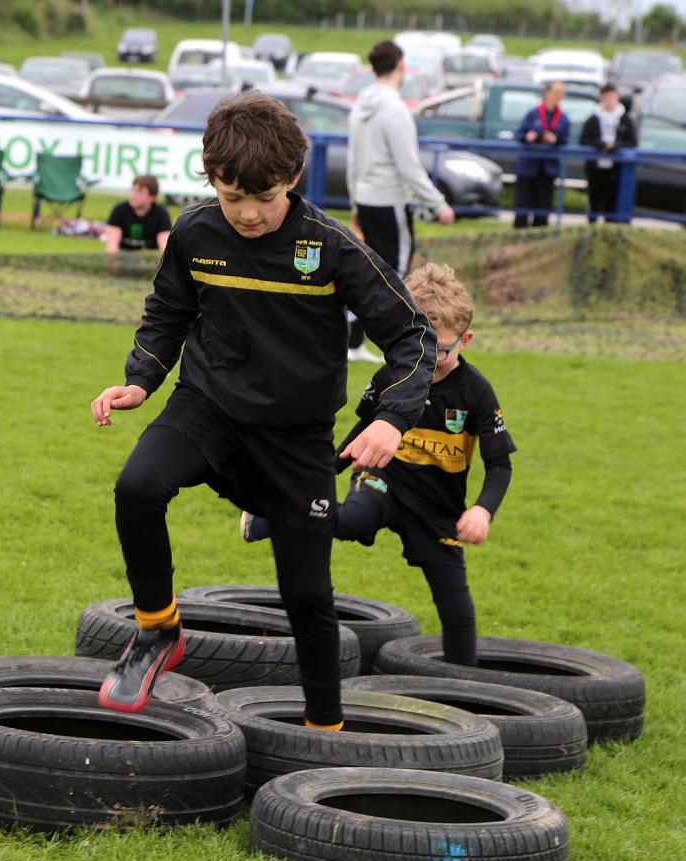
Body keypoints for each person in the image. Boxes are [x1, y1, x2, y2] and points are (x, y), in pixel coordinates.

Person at [90, 91, 436, 729]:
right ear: (209, 177)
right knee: (137, 486)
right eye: (231, 198)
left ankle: (323, 727)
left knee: (307, 595)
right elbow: (169, 313)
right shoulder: (194, 232)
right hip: (208, 406)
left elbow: (414, 336)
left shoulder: (331, 247)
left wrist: (390, 418)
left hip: (296, 439)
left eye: (264, 198)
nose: (247, 214)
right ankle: (157, 629)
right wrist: (140, 380)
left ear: (294, 178)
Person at [242, 262, 516, 667]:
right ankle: (271, 517)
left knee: (457, 607)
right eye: (421, 344)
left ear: (466, 339)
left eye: (441, 348)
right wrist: (320, 477)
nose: (431, 357)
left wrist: (482, 510)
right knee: (353, 517)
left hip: (438, 510)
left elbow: (500, 465)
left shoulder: (476, 393)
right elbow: (359, 433)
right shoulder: (393, 375)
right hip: (383, 479)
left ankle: (464, 687)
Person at [346, 39, 455, 364]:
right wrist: (439, 204)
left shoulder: (358, 108)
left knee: (368, 273)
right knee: (399, 276)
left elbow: (353, 160)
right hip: (389, 201)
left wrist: (355, 205)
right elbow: (409, 166)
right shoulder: (394, 110)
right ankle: (402, 347)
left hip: (366, 198)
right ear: (401, 67)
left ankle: (352, 343)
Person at [513, 81, 570, 228]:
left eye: (562, 92)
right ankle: (518, 240)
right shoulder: (533, 113)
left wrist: (555, 139)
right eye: (557, 92)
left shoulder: (563, 118)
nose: (559, 96)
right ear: (547, 93)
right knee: (523, 206)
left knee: (543, 208)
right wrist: (529, 136)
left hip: (548, 168)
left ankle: (539, 241)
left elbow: (565, 139)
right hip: (529, 167)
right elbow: (520, 134)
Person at [580, 83, 638, 224]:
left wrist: (616, 146)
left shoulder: (625, 119)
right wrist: (601, 144)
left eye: (612, 97)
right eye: (606, 97)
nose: (609, 101)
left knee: (611, 207)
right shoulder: (593, 119)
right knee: (594, 205)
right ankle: (591, 238)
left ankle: (608, 240)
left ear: (617, 97)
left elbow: (632, 142)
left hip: (615, 171)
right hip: (595, 170)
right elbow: (584, 140)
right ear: (601, 98)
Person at [105, 174, 171, 253]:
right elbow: (112, 246)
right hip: (122, 259)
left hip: (149, 261)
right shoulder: (119, 210)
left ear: (152, 197)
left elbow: (165, 249)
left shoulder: (161, 214)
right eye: (133, 190)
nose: (134, 195)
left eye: (140, 192)